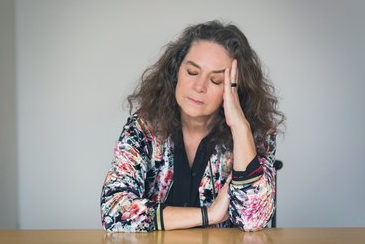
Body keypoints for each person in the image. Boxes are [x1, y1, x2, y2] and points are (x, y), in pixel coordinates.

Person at [100, 20, 285, 232]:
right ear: (175, 71)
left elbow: (253, 219)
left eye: (216, 80)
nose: (199, 87)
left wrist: (240, 127)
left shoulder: (253, 135)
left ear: (236, 90)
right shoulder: (143, 129)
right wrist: (209, 215)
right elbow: (113, 210)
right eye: (192, 72)